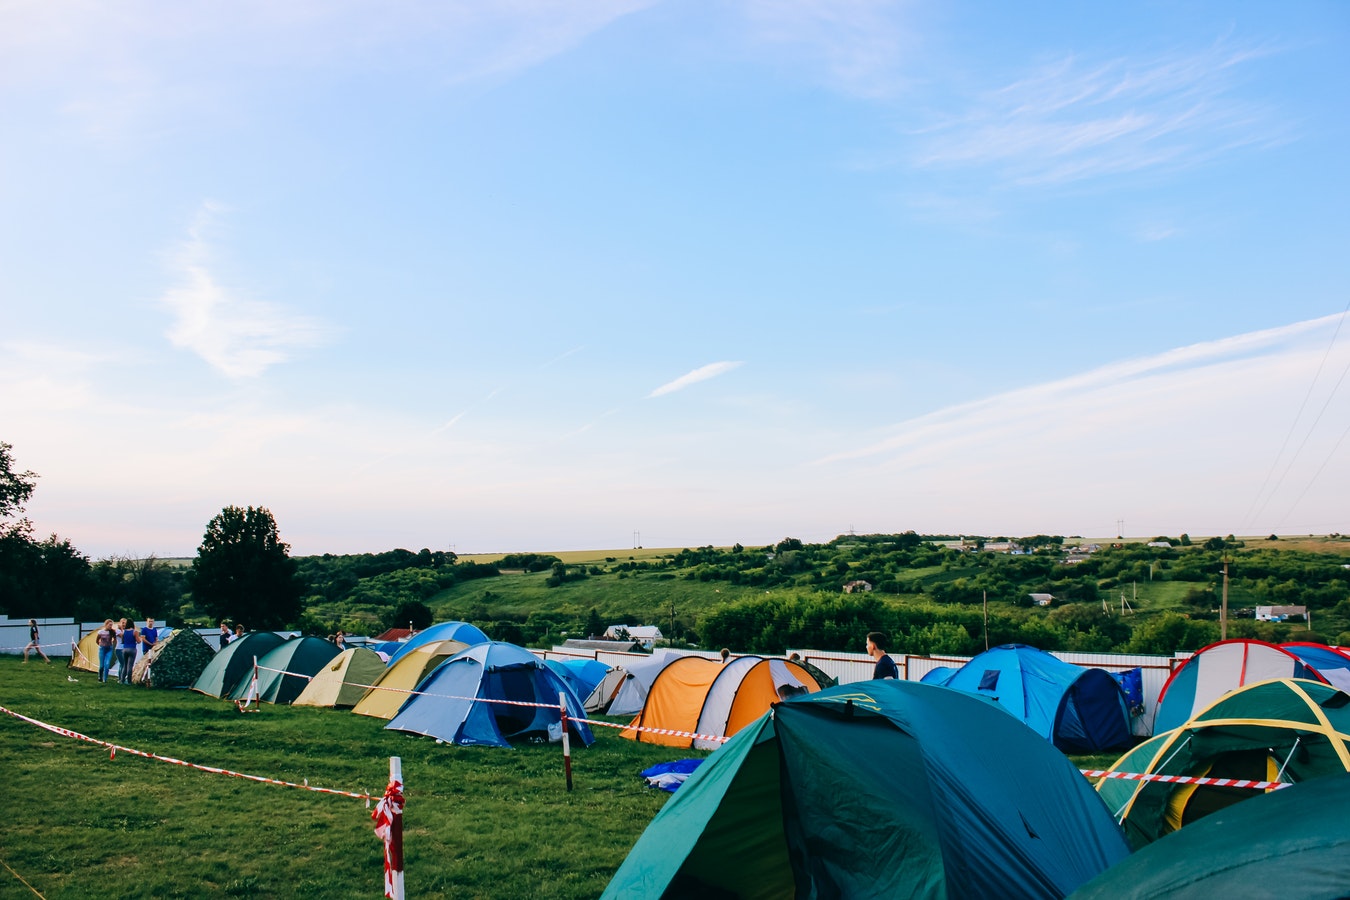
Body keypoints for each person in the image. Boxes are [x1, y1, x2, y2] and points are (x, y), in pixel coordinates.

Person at [95, 619, 117, 683]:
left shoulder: (112, 632)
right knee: (101, 665)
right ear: (106, 625)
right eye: (109, 625)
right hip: (102, 649)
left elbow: (115, 639)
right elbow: (97, 640)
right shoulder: (101, 632)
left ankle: (105, 679)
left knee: (107, 664)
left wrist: (113, 643)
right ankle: (100, 676)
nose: (110, 626)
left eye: (111, 625)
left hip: (109, 649)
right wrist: (100, 645)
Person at [117, 618, 138, 684]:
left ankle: (122, 680)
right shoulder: (135, 632)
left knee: (125, 665)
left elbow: (123, 641)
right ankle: (129, 681)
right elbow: (139, 641)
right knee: (130, 666)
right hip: (132, 649)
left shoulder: (124, 632)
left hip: (125, 649)